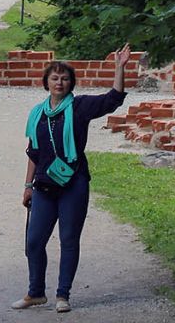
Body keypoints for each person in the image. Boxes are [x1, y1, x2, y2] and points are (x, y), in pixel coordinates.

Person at [12, 44, 132, 313]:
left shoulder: (80, 107)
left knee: (68, 239)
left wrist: (120, 67)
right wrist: (27, 186)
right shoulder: (38, 114)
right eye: (54, 78)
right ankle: (35, 293)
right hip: (43, 185)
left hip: (73, 183)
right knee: (33, 241)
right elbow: (33, 152)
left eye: (65, 78)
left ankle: (62, 295)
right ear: (46, 83)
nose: (59, 82)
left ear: (71, 83)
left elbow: (113, 98)